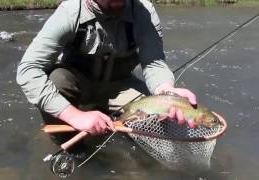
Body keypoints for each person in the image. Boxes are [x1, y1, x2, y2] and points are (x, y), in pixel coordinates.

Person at [16, 0, 197, 145]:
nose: (119, 2)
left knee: (159, 118)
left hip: (120, 85)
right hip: (79, 86)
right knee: (57, 81)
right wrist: (74, 116)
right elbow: (28, 70)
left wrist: (165, 92)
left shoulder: (143, 11)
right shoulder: (70, 12)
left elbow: (153, 62)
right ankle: (71, 147)